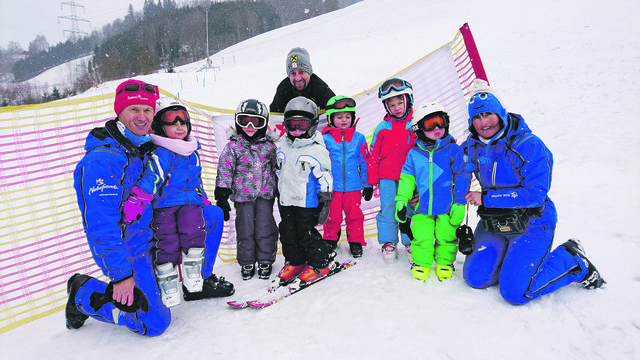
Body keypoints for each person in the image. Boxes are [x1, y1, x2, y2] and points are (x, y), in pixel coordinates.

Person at [67, 79, 234, 336]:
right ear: (119, 112)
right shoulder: (103, 161)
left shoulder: (147, 146)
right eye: (134, 109)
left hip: (156, 232)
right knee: (154, 323)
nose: (142, 116)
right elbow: (101, 227)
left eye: (147, 110)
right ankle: (85, 293)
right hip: (134, 249)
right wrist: (121, 276)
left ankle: (198, 281)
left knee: (210, 216)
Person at [462, 79, 605, 305]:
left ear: (500, 112)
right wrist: (423, 192)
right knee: (475, 278)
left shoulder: (529, 145)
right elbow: (448, 171)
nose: (483, 122)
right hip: (495, 221)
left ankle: (572, 259)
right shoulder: (471, 145)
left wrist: (486, 198)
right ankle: (513, 261)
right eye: (477, 117)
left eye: (488, 114)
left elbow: (535, 194)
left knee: (515, 293)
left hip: (532, 221)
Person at [145, 97, 217, 307]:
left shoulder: (192, 151)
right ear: (159, 125)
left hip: (190, 202)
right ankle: (168, 284)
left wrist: (202, 197)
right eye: (171, 121)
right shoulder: (162, 153)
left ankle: (193, 275)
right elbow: (152, 177)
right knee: (166, 242)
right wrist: (138, 198)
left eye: (183, 121)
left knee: (194, 233)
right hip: (165, 205)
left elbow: (197, 178)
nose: (179, 126)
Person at [394, 102, 471, 281]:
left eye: (441, 122)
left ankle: (445, 262)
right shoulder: (414, 154)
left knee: (447, 236)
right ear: (419, 129)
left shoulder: (453, 150)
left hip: (447, 206)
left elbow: (462, 176)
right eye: (430, 125)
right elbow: (407, 178)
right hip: (422, 207)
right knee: (422, 237)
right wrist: (402, 200)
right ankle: (421, 263)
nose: (437, 128)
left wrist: (459, 202)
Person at [215, 99, 279, 280]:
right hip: (242, 197)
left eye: (256, 121)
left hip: (265, 194)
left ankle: (266, 258)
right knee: (245, 228)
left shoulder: (269, 147)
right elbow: (225, 169)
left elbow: (277, 168)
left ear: (264, 123)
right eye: (245, 121)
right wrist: (222, 192)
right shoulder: (233, 147)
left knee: (265, 227)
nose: (250, 126)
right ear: (238, 122)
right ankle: (247, 260)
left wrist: (281, 187)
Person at [275, 96, 335, 286]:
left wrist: (325, 200)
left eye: (302, 125)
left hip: (306, 203)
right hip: (286, 201)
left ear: (313, 124)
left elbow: (324, 176)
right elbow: (278, 171)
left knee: (306, 234)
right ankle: (295, 261)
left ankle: (320, 263)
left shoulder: (317, 150)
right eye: (292, 125)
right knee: (287, 233)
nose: (297, 130)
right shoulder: (282, 146)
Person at [367, 77, 417, 263]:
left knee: (410, 208)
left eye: (400, 102)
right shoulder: (382, 127)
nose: (396, 108)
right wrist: (370, 182)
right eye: (392, 104)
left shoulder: (416, 124)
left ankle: (411, 240)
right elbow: (373, 155)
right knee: (388, 208)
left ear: (408, 100)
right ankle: (389, 242)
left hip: (409, 177)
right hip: (387, 176)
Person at [321, 95, 373, 258]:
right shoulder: (325, 139)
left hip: (353, 186)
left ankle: (356, 241)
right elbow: (321, 164)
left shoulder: (359, 138)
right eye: (339, 117)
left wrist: (368, 184)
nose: (344, 120)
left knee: (355, 215)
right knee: (332, 216)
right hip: (333, 187)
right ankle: (330, 240)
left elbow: (365, 162)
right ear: (331, 118)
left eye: (347, 116)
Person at [269, 47, 335, 113]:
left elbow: (335, 114)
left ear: (309, 72)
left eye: (301, 72)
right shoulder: (283, 91)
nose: (298, 78)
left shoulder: (321, 90)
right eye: (293, 73)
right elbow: (275, 118)